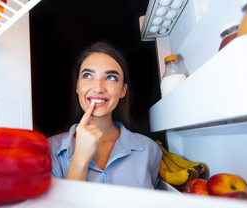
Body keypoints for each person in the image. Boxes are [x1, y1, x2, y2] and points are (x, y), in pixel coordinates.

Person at [48, 42, 162, 189]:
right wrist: (80, 158)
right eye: (88, 76)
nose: (98, 88)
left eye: (111, 78)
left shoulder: (149, 150)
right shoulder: (50, 149)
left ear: (123, 90)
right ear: (77, 86)